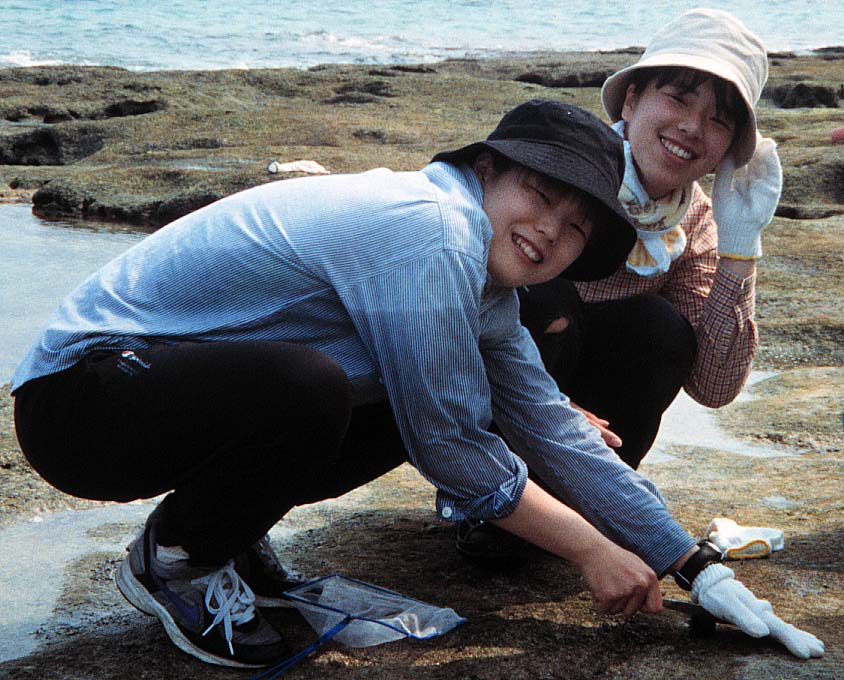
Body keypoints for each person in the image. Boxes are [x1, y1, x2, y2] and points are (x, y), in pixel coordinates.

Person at [12, 100, 821, 669]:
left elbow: (549, 427)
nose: (550, 231)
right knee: (315, 387)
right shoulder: (429, 227)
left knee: (398, 394)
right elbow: (451, 446)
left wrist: (694, 565)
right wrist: (592, 550)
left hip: (167, 396)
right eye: (540, 195)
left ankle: (227, 530)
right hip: (82, 398)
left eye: (578, 227)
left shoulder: (486, 288)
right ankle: (176, 563)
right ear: (485, 169)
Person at [458, 7, 785, 564]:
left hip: (594, 438)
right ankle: (486, 499)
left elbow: (714, 386)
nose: (692, 128)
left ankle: (587, 510)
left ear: (731, 147)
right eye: (678, 99)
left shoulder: (695, 221)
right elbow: (451, 301)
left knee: (659, 328)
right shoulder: (557, 165)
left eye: (718, 120)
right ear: (631, 100)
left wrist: (741, 244)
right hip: (493, 397)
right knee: (547, 297)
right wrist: (549, 408)